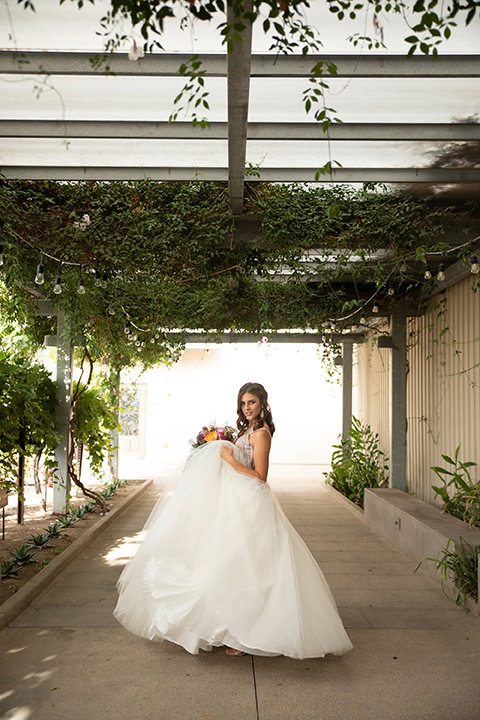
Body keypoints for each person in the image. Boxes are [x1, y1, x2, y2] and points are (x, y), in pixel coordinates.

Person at [114, 382, 353, 659]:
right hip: (237, 499)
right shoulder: (247, 430)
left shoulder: (262, 434)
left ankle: (247, 635)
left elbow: (260, 476)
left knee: (247, 567)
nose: (246, 408)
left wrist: (228, 459)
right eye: (243, 403)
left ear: (263, 403)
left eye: (251, 402)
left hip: (252, 502)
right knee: (230, 564)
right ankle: (230, 628)